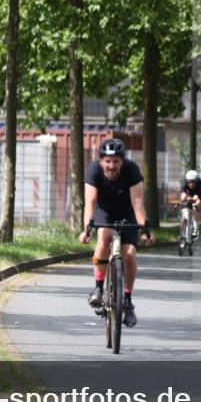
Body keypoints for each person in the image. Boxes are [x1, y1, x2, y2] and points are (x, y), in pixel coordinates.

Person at [79, 138, 153, 328]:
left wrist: (145, 229)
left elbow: (138, 204)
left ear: (123, 161)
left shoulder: (132, 170)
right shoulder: (94, 170)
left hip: (128, 213)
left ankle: (127, 301)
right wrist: (87, 229)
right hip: (105, 211)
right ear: (101, 160)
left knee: (129, 255)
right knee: (104, 238)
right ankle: (98, 288)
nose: (111, 166)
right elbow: (90, 203)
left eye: (116, 161)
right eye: (107, 161)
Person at [179, 169, 201, 237]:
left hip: (199, 195)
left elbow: (197, 197)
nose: (191, 184)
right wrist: (184, 198)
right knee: (184, 212)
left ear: (196, 181)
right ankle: (182, 231)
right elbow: (182, 195)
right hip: (189, 194)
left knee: (194, 207)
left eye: (193, 182)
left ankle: (196, 229)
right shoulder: (184, 183)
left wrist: (193, 200)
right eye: (189, 182)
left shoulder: (200, 184)